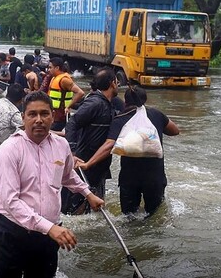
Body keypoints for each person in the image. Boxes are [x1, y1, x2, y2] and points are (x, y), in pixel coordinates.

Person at [0, 91, 105, 278]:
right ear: (23, 118)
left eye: (44, 114)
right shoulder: (9, 150)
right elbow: (11, 201)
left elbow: (67, 176)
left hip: (48, 234)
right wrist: (50, 228)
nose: (39, 120)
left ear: (52, 116)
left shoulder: (61, 145)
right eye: (32, 114)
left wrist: (88, 194)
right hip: (13, 233)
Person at [76, 86, 179, 217]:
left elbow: (109, 145)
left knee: (128, 218)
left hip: (130, 178)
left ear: (125, 101)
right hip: (155, 177)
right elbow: (175, 131)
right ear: (145, 100)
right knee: (154, 216)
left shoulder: (121, 119)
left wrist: (88, 164)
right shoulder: (156, 114)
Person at [62, 67, 118, 215]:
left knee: (94, 208)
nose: (118, 85)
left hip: (98, 165)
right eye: (117, 82)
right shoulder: (95, 103)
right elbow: (72, 123)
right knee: (73, 209)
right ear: (113, 83)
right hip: (84, 163)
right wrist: (72, 152)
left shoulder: (107, 103)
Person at [47, 57, 85, 131]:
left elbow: (80, 93)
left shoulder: (64, 80)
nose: (48, 70)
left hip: (60, 116)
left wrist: (68, 106)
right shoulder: (54, 78)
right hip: (54, 115)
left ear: (57, 68)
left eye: (50, 67)